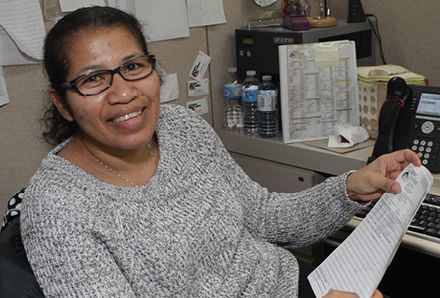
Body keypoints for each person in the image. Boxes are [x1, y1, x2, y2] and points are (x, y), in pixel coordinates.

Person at [19, 6, 420, 298]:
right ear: (62, 103)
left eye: (133, 67)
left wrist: (349, 188)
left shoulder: (181, 128)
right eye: (93, 79)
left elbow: (265, 218)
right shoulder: (57, 206)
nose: (123, 92)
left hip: (295, 284)